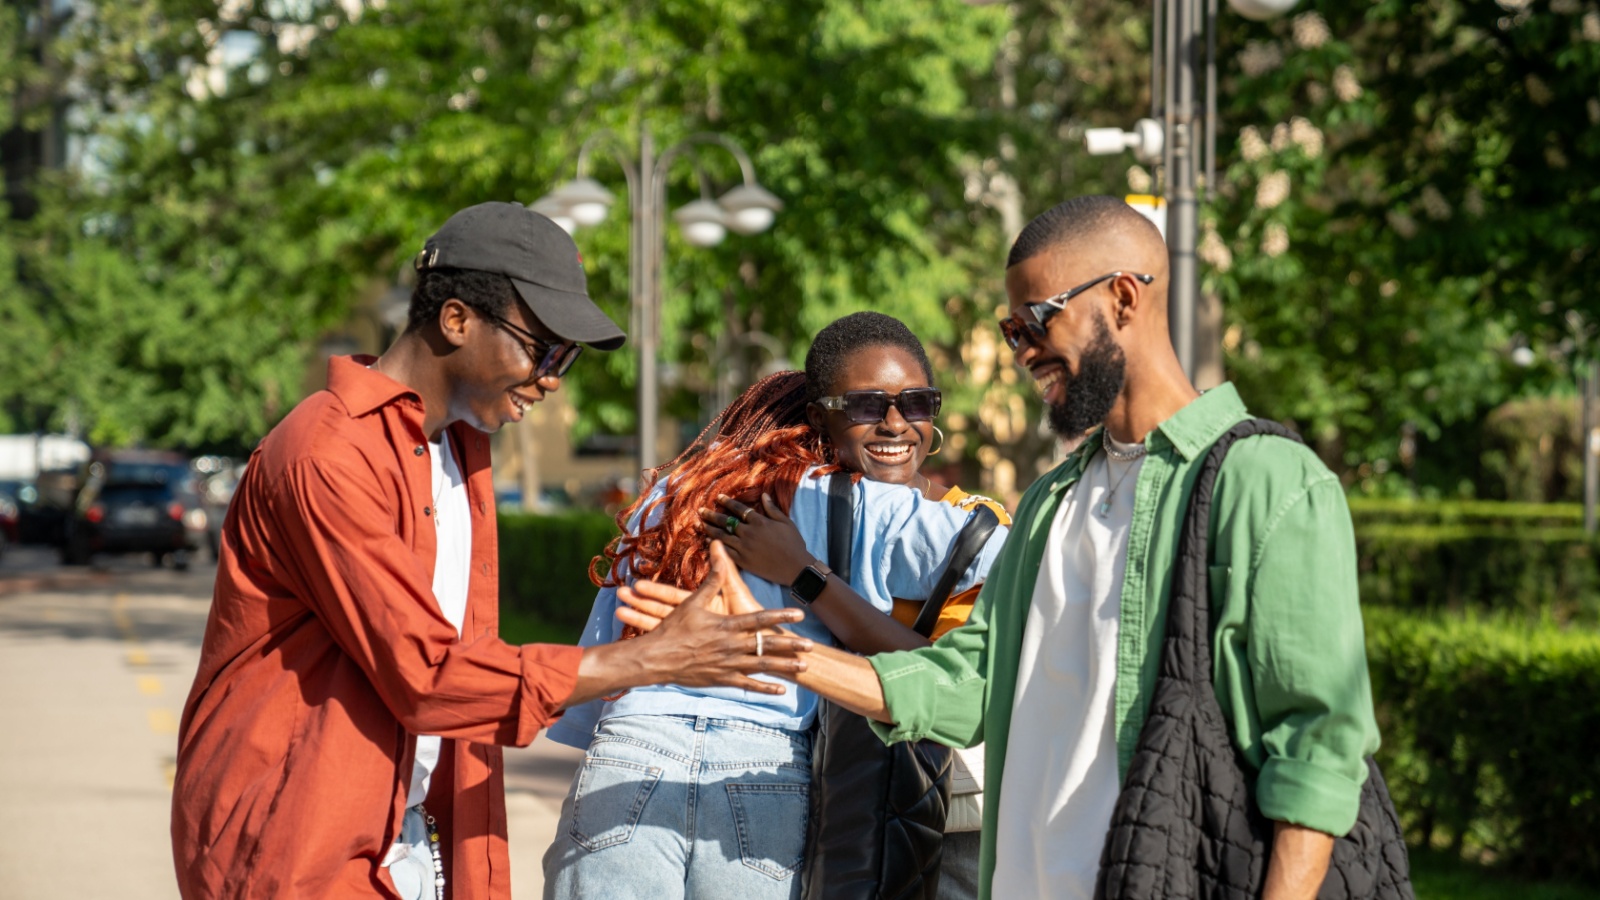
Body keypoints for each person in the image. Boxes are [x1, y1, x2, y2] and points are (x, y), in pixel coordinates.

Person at [624, 196, 1381, 900]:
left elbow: (1317, 748)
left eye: (1038, 321)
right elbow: (965, 685)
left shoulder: (1265, 480)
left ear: (1124, 296)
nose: (1024, 351)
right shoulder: (1055, 504)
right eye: (1012, 332)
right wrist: (764, 651)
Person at [169, 202, 810, 900]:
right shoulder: (328, 452)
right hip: (299, 843)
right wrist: (650, 658)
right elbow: (426, 675)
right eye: (544, 348)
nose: (554, 377)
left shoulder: (458, 448)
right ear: (456, 320)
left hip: (411, 837)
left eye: (565, 357)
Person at [542, 362, 1008, 900]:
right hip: (762, 766)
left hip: (631, 747)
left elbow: (595, 680)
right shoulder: (853, 499)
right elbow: (1009, 555)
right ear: (819, 427)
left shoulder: (669, 497)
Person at [703, 311, 1010, 900]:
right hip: (816, 801)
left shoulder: (972, 526)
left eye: (917, 402)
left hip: (945, 812)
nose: (896, 424)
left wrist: (804, 575)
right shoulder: (794, 509)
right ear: (821, 417)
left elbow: (936, 674)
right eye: (867, 406)